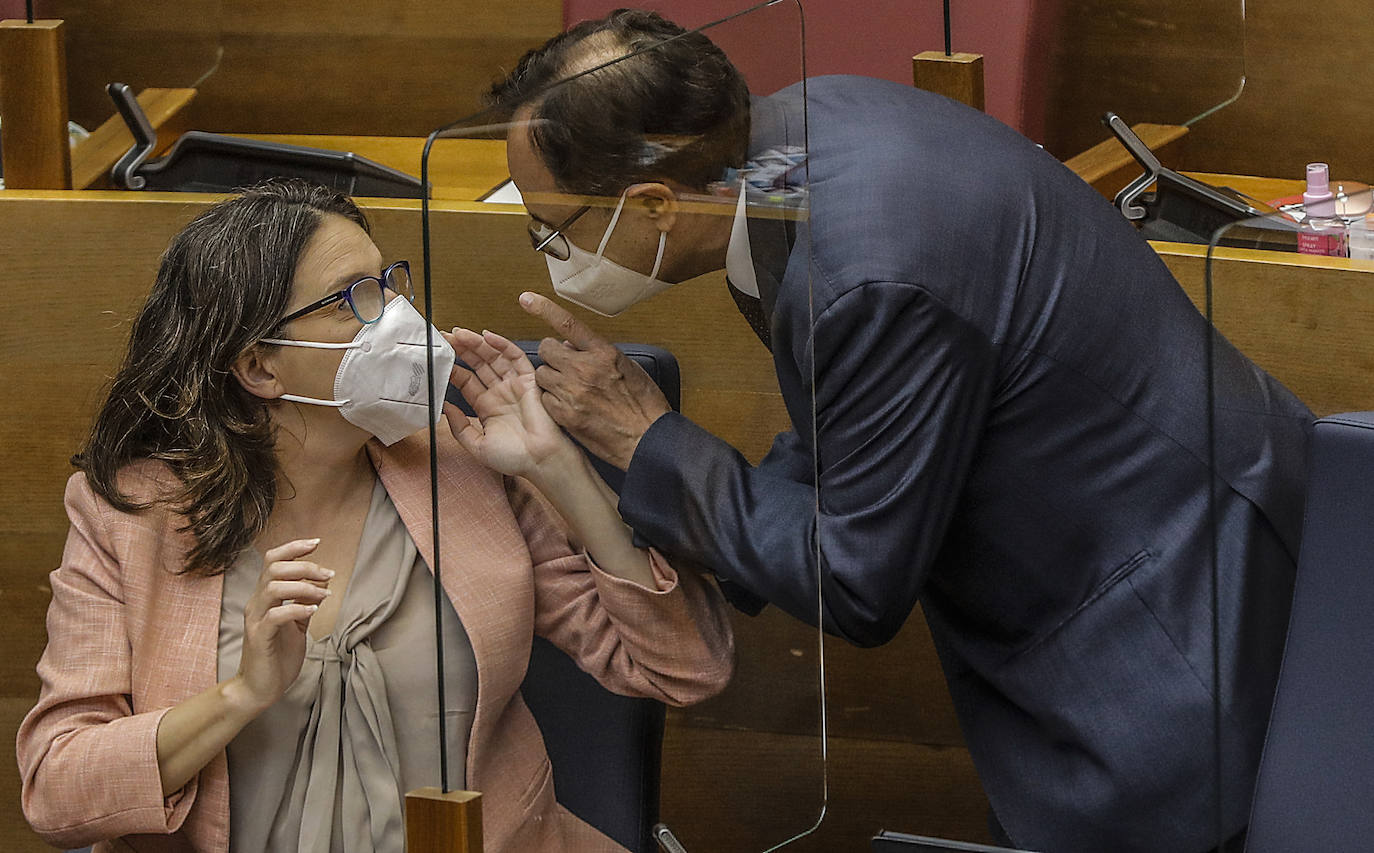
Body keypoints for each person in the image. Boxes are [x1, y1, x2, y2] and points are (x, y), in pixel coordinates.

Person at [486, 10, 1312, 853]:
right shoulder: (792, 139)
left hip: (1166, 622)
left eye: (554, 225)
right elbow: (848, 422)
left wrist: (646, 437)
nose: (546, 249)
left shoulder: (868, 268)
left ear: (656, 204)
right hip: (1154, 533)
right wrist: (682, 536)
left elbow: (857, 581)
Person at [16, 180, 734, 853]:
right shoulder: (129, 512)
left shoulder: (460, 465)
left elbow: (685, 667)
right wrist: (241, 695)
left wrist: (562, 470)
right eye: (350, 299)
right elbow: (57, 785)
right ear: (261, 366)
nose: (396, 318)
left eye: (389, 283)